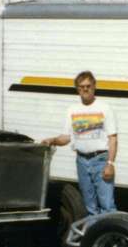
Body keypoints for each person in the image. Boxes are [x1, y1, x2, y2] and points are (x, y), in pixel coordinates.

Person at [40, 71, 118, 215]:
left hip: (100, 161)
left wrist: (110, 164)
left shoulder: (105, 108)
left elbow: (113, 138)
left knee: (107, 206)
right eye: (81, 87)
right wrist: (53, 140)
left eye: (88, 86)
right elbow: (66, 137)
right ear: (77, 89)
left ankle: (111, 237)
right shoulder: (72, 110)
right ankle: (94, 237)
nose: (85, 89)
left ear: (94, 86)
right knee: (90, 207)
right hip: (81, 161)